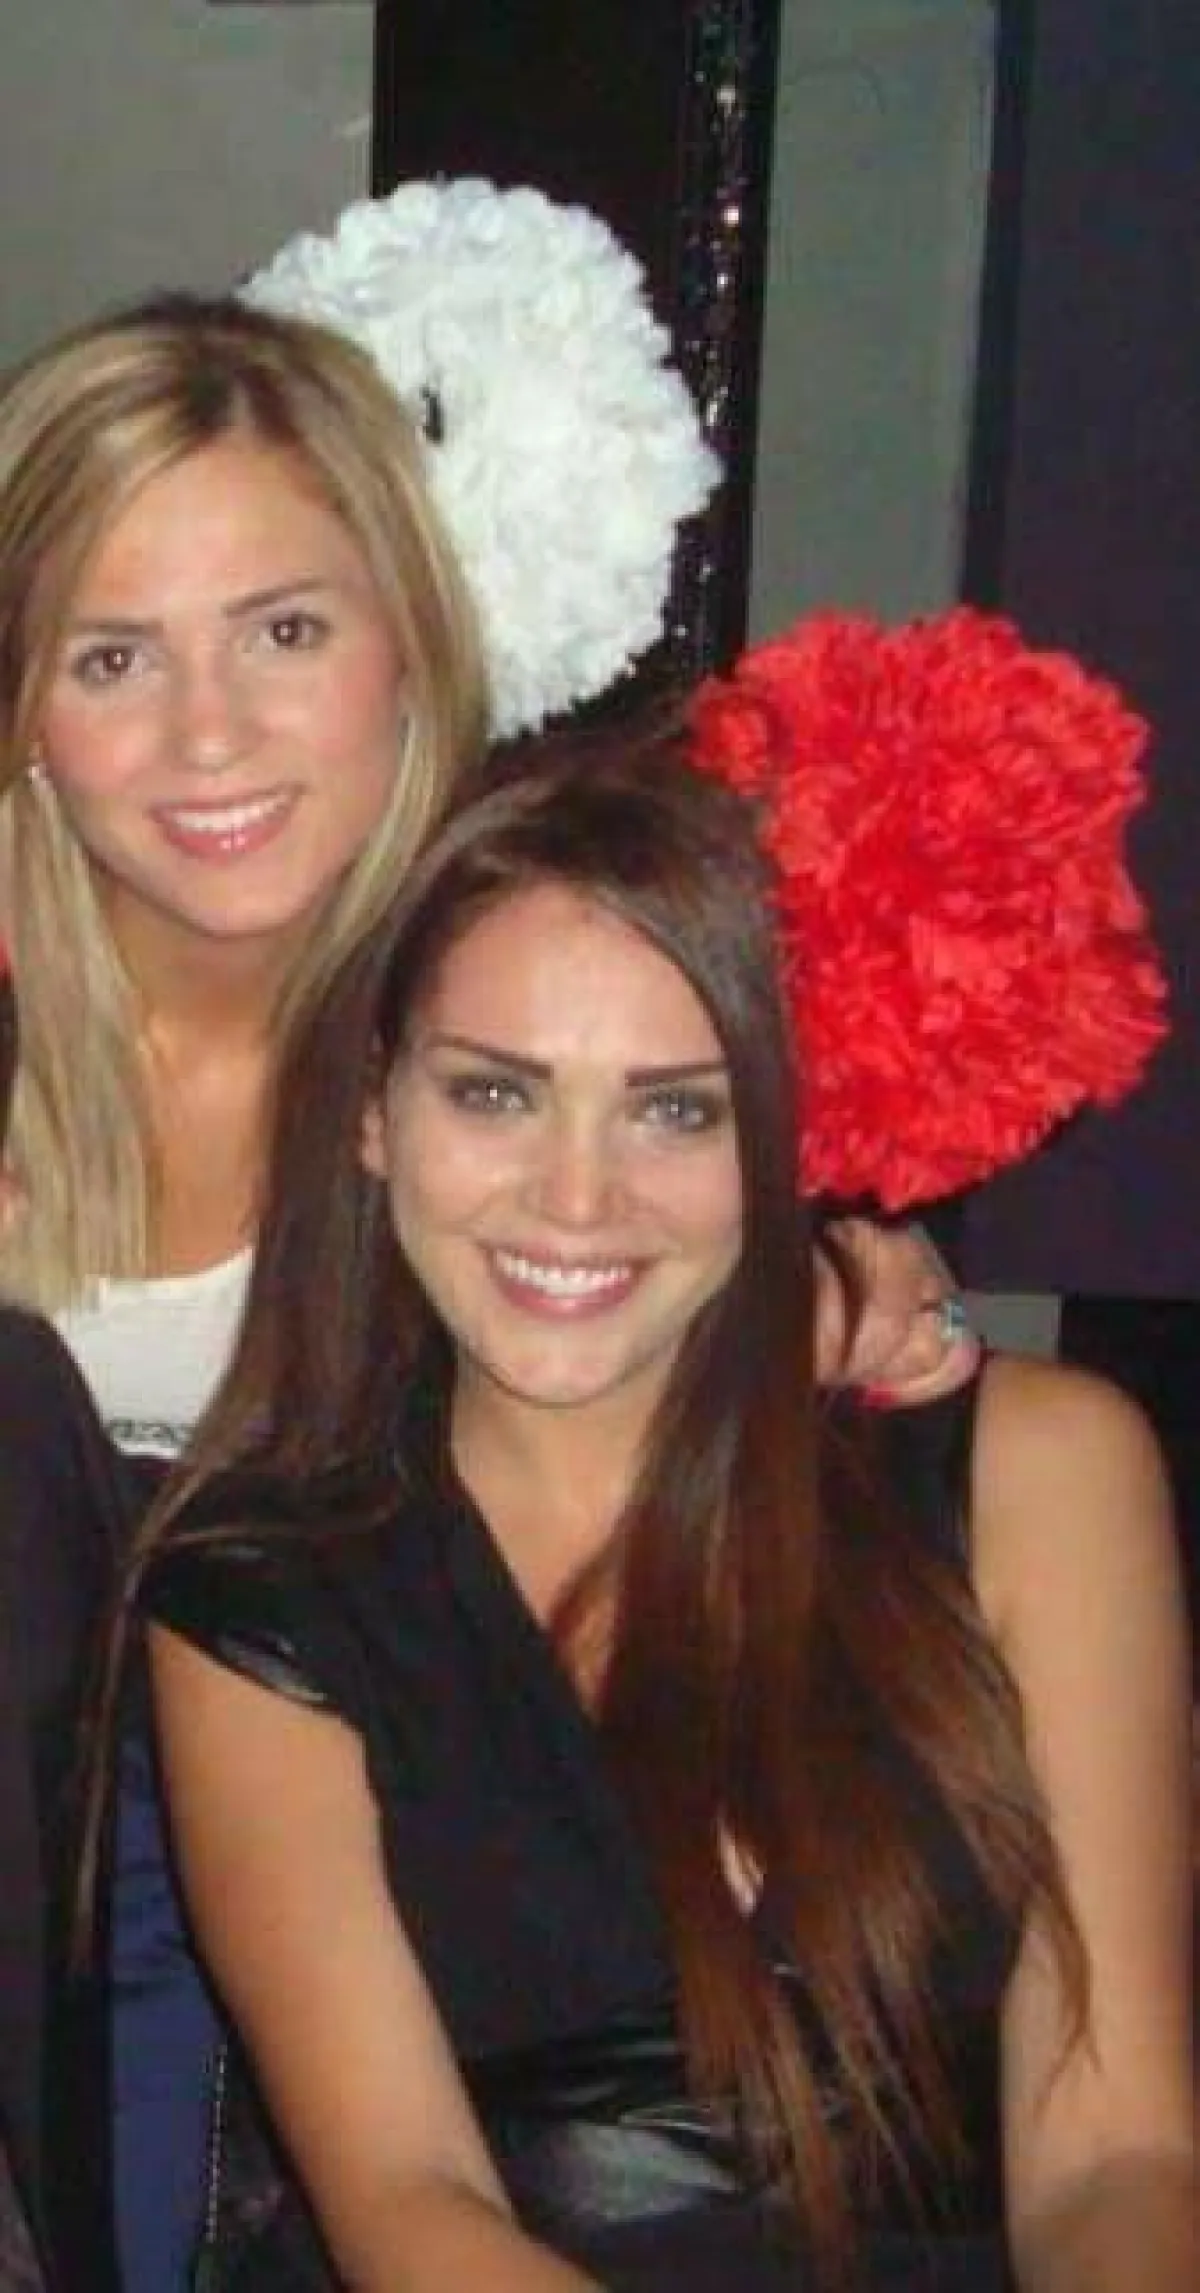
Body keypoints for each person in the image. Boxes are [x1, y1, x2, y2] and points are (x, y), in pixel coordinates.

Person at [0, 290, 968, 2292]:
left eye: (286, 630)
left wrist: (824, 1289)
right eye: (112, 655)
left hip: (450, 2035)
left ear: (413, 638)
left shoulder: (552, 1008)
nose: (209, 733)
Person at [132, 725, 1195, 2292]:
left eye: (676, 1111)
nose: (579, 1197)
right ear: (371, 1111)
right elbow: (412, 2206)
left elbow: (1116, 2146)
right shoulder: (261, 1593)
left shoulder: (1040, 1474)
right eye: (495, 1094)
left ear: (784, 1133)